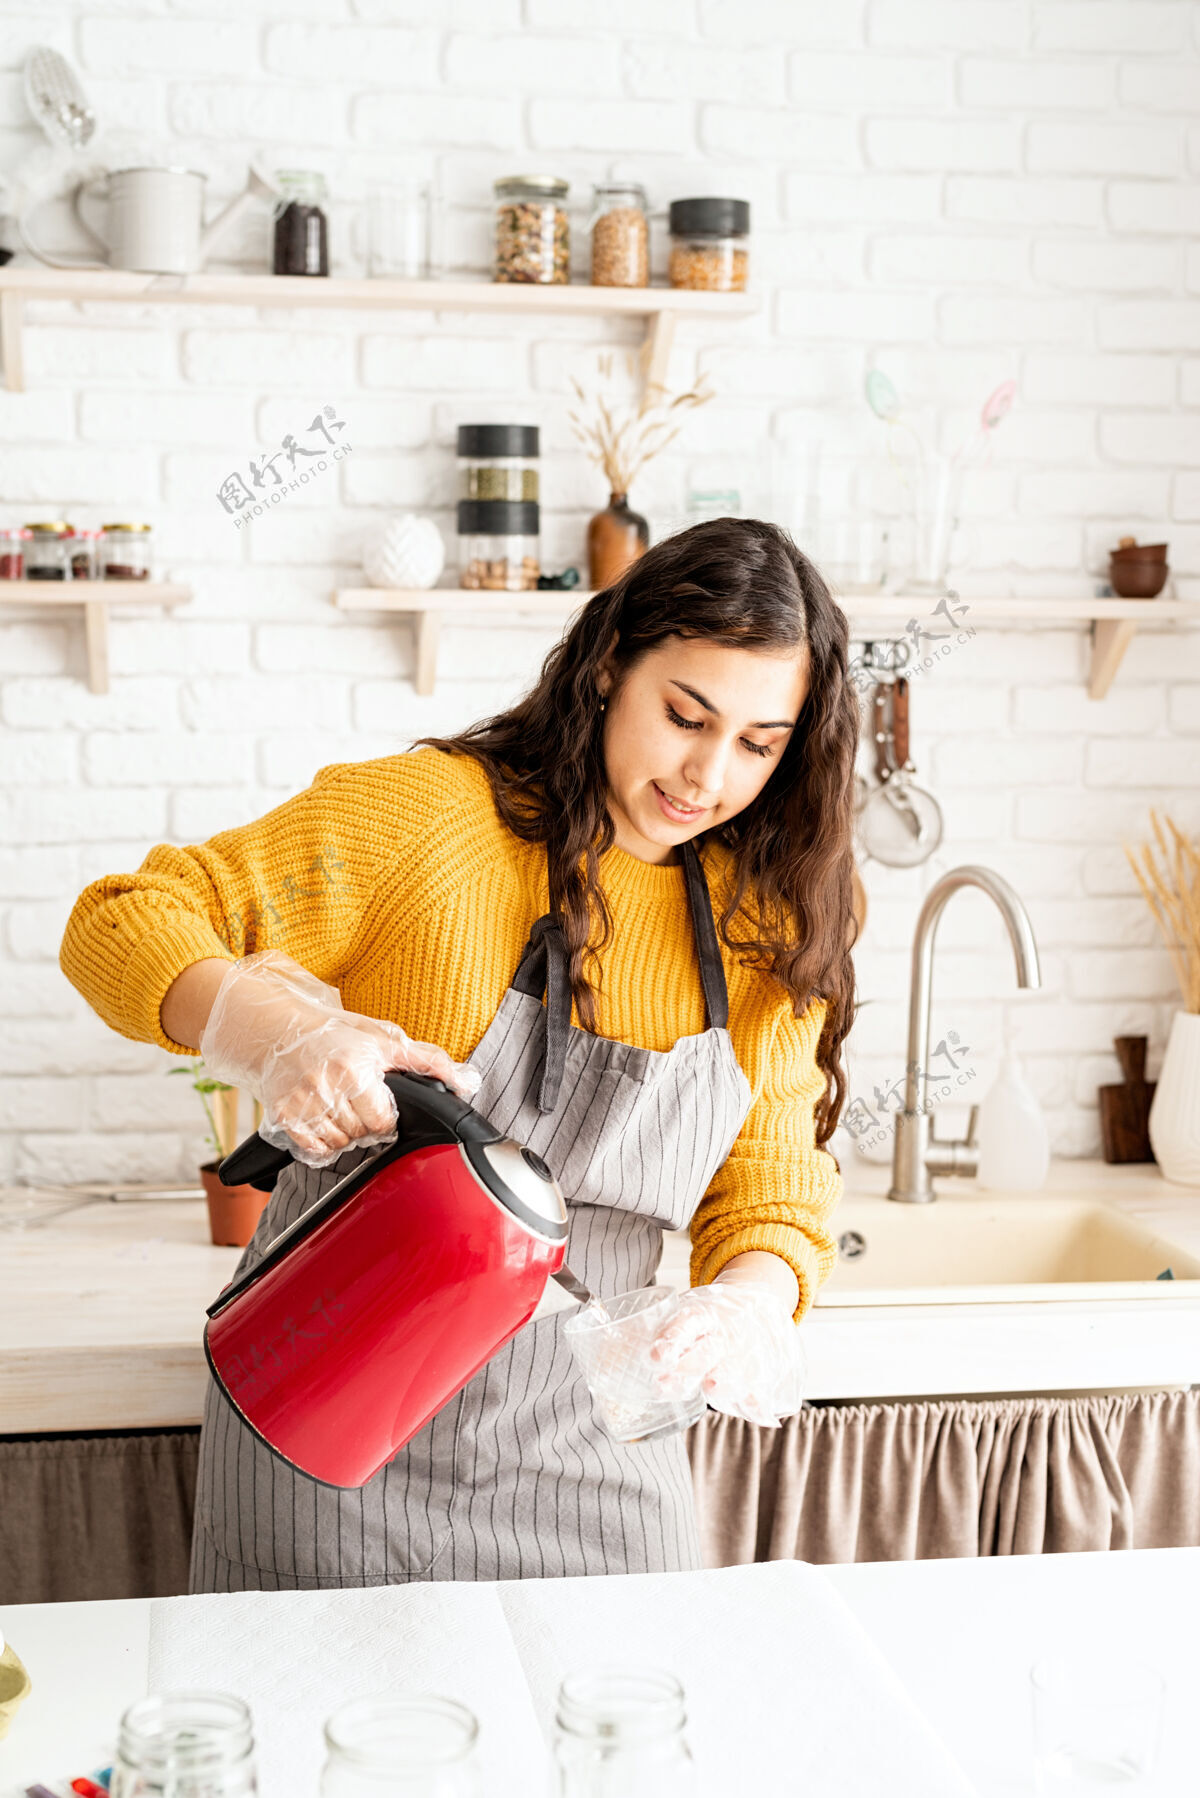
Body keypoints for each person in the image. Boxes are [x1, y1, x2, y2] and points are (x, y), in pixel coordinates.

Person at [59, 516, 860, 1592]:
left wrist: (750, 1300)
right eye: (685, 715)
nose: (708, 775)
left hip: (597, 1455)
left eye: (759, 743)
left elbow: (770, 1186)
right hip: (325, 1424)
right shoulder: (432, 820)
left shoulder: (765, 920)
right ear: (611, 664)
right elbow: (120, 921)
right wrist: (281, 1033)